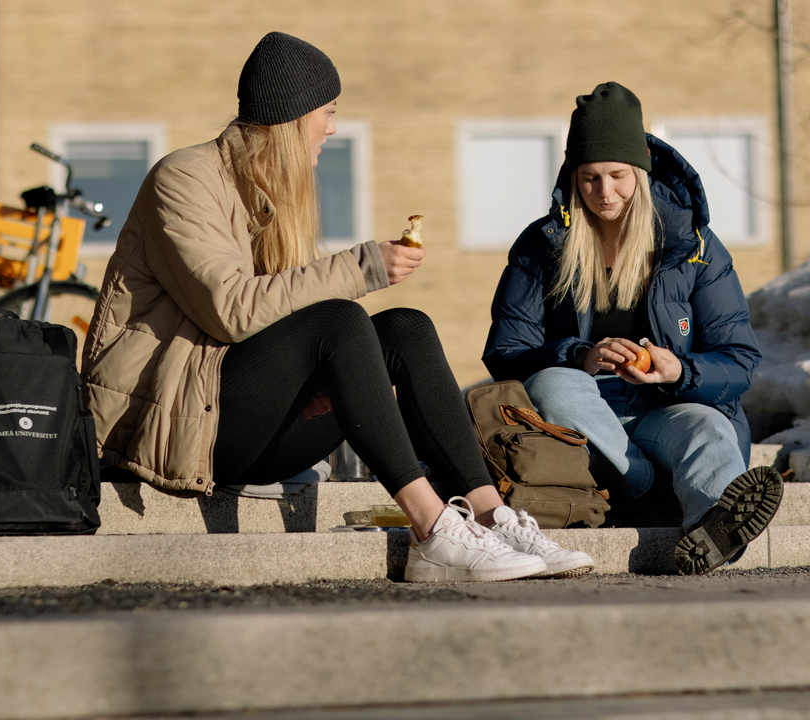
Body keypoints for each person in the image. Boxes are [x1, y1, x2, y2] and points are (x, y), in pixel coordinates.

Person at [81, 32, 593, 582]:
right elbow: (228, 310)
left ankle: (493, 516)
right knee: (340, 320)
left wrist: (322, 372)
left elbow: (286, 319)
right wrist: (361, 267)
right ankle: (432, 528)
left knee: (406, 328)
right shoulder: (183, 178)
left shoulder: (279, 191)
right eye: (326, 112)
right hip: (181, 424)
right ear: (292, 115)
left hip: (254, 425)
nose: (331, 128)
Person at [482, 82, 782, 575]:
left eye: (618, 176)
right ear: (572, 177)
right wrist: (579, 356)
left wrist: (678, 371)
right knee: (555, 383)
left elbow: (739, 359)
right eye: (589, 178)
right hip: (583, 417)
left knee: (708, 427)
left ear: (641, 170)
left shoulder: (695, 247)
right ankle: (646, 489)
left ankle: (715, 525)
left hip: (667, 407)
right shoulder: (542, 245)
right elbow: (506, 351)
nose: (604, 193)